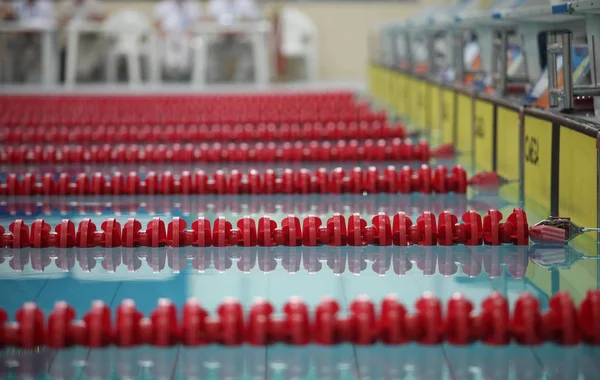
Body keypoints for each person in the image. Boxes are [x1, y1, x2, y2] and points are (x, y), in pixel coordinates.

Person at [206, 0, 261, 83]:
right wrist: (217, 29)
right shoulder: (215, 3)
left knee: (248, 45)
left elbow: (255, 20)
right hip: (219, 38)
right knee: (209, 46)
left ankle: (243, 79)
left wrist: (244, 28)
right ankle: (213, 79)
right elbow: (208, 20)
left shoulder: (247, 2)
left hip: (241, 38)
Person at [4, 0, 55, 83]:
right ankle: (14, 79)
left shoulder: (45, 4)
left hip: (39, 38)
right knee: (13, 45)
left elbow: (50, 23)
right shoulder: (17, 3)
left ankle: (44, 81)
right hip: (20, 36)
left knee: (44, 48)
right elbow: (11, 21)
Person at [57, 0, 106, 81]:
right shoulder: (65, 4)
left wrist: (93, 19)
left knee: (96, 47)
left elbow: (102, 19)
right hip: (68, 40)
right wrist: (67, 20)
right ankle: (69, 77)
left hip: (89, 39)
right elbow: (59, 21)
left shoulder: (94, 4)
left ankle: (88, 76)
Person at [154, 0, 202, 80]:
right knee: (168, 43)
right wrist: (162, 34)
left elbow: (197, 23)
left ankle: (184, 74)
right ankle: (169, 73)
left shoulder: (193, 5)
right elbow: (157, 23)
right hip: (167, 36)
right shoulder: (163, 5)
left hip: (188, 37)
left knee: (187, 42)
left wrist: (191, 33)